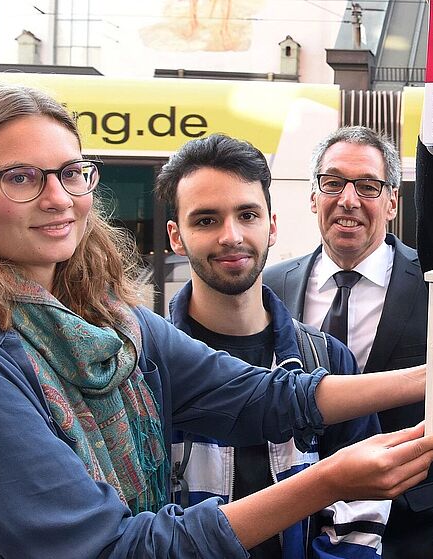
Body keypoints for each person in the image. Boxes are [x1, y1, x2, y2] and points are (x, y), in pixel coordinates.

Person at [0, 82, 433, 558]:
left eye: (71, 172)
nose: (58, 198)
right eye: (21, 177)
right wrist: (326, 480)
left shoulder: (112, 323)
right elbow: (111, 548)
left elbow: (258, 396)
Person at [155, 133, 390, 559]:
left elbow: (361, 512)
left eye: (247, 215)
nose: (231, 236)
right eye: (206, 220)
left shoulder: (328, 358)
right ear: (176, 236)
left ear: (272, 225)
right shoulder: (145, 367)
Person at [263, 127, 433, 559]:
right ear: (314, 197)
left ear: (392, 202)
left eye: (367, 186)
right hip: (295, 520)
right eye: (333, 183)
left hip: (411, 530)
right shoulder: (271, 287)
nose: (348, 200)